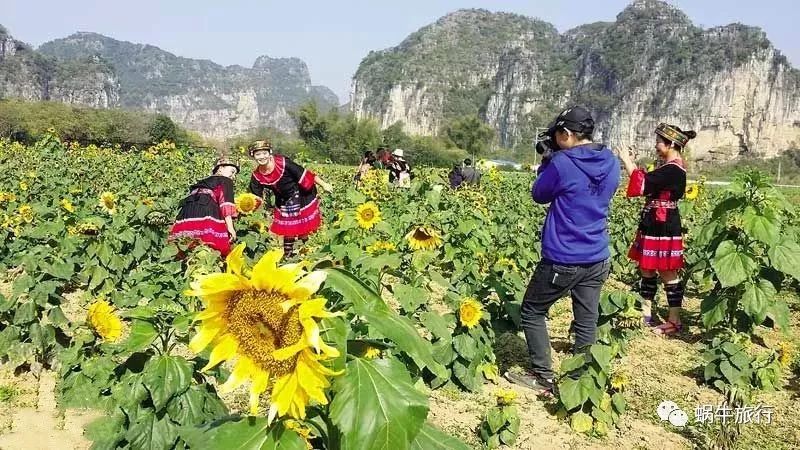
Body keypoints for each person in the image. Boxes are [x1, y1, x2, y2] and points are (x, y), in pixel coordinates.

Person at [504, 106, 620, 395]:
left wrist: (548, 162)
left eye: (557, 135)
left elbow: (539, 195)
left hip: (564, 257)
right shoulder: (611, 160)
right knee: (586, 318)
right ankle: (580, 377)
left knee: (532, 311)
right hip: (597, 255)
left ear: (566, 134)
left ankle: (543, 376)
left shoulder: (562, 163)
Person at [619, 123, 695, 336]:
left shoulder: (673, 169)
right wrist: (632, 163)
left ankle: (673, 320)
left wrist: (627, 161)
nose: (656, 145)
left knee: (667, 270)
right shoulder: (668, 167)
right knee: (647, 268)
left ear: (671, 144)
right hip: (654, 221)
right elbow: (648, 182)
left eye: (659, 142)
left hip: (664, 223)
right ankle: (646, 314)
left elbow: (642, 185)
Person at [247, 140, 333, 257]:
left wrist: (324, 184)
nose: (262, 157)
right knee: (289, 228)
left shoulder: (283, 163)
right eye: (258, 154)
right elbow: (255, 197)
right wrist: (246, 209)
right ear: (253, 156)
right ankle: (289, 256)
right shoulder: (257, 175)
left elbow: (306, 174)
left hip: (300, 194)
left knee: (300, 228)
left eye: (264, 153)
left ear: (270, 153)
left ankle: (307, 253)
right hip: (282, 199)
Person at [168, 157, 239, 256]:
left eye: (235, 174)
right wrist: (231, 228)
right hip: (206, 210)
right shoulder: (225, 180)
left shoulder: (204, 182)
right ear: (221, 168)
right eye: (232, 171)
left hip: (187, 212)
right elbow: (225, 204)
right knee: (210, 248)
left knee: (186, 245)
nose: (233, 176)